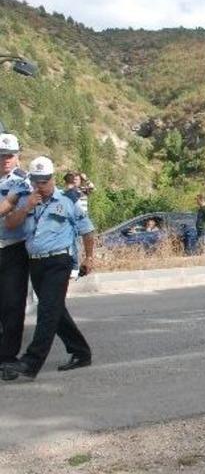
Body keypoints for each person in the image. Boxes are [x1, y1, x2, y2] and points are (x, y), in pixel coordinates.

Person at [1, 156, 95, 381]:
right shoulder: (26, 199)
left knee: (46, 312)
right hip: (35, 262)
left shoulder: (67, 200)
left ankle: (31, 363)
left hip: (58, 261)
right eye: (36, 181)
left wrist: (89, 258)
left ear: (53, 179)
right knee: (55, 311)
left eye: (44, 181)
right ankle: (81, 352)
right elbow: (10, 224)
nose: (40, 186)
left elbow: (87, 230)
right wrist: (26, 207)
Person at [0, 133, 31, 381]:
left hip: (13, 249)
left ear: (18, 156)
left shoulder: (24, 181)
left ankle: (8, 358)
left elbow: (11, 209)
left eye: (10, 155)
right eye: (1, 156)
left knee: (12, 305)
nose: (6, 160)